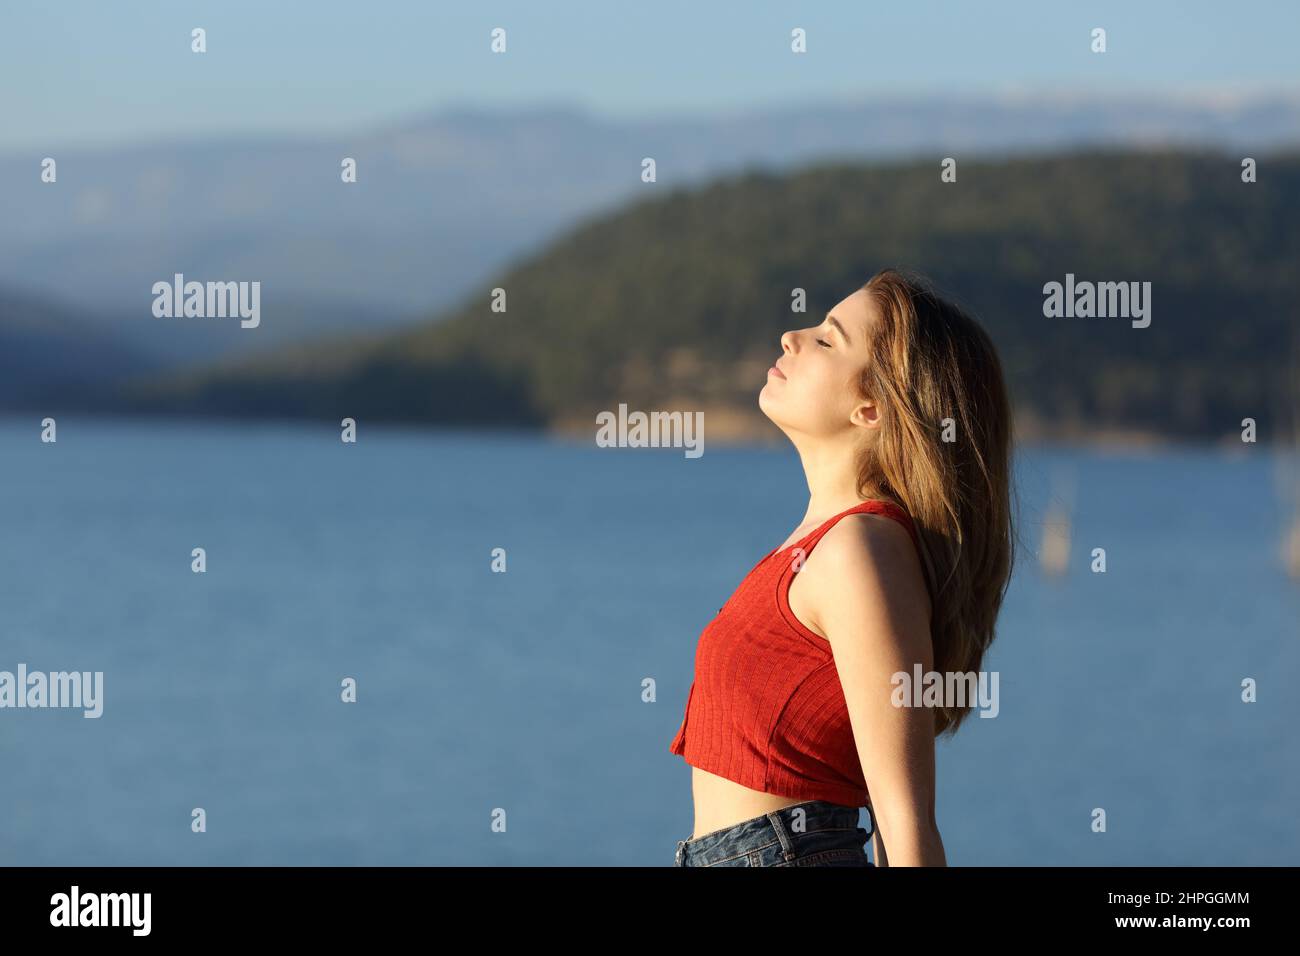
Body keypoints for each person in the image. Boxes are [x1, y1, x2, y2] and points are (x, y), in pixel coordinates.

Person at [669, 268, 1016, 867]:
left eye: (828, 339)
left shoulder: (863, 550)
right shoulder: (819, 546)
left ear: (872, 408)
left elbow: (905, 823)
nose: (791, 337)